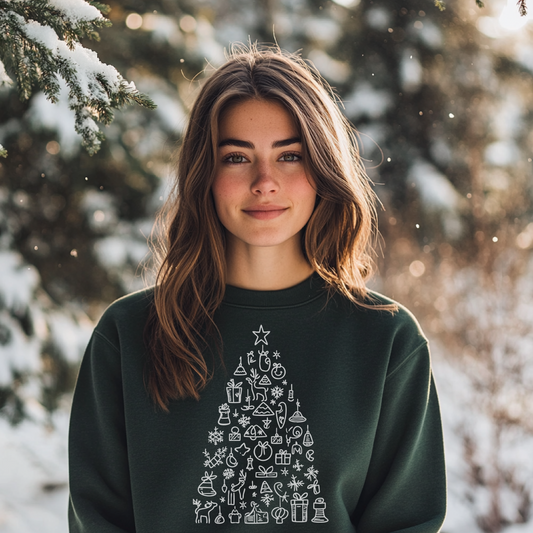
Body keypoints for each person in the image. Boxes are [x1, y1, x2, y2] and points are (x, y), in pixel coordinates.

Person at [68, 45, 446, 532]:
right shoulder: (128, 335)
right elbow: (98, 520)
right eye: (236, 157)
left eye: (290, 155)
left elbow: (406, 521)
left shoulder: (386, 340)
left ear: (323, 169)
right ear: (206, 173)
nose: (265, 182)